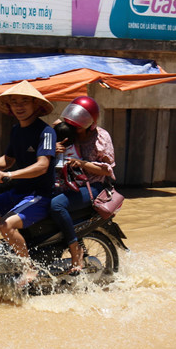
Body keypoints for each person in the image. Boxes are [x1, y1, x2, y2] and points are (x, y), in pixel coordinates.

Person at [0, 80, 57, 285]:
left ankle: (29, 269)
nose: (19, 106)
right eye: (14, 102)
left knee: (6, 224)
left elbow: (42, 166)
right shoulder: (16, 130)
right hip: (17, 192)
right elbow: (7, 160)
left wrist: (9, 175)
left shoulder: (46, 132)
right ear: (9, 107)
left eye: (25, 102)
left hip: (39, 195)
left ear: (36, 106)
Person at [48, 95, 116, 274]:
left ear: (90, 125)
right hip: (66, 183)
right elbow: (45, 145)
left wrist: (82, 163)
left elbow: (107, 170)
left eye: (78, 128)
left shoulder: (101, 138)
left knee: (57, 205)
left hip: (92, 186)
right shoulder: (66, 129)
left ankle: (75, 251)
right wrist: (53, 147)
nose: (74, 130)